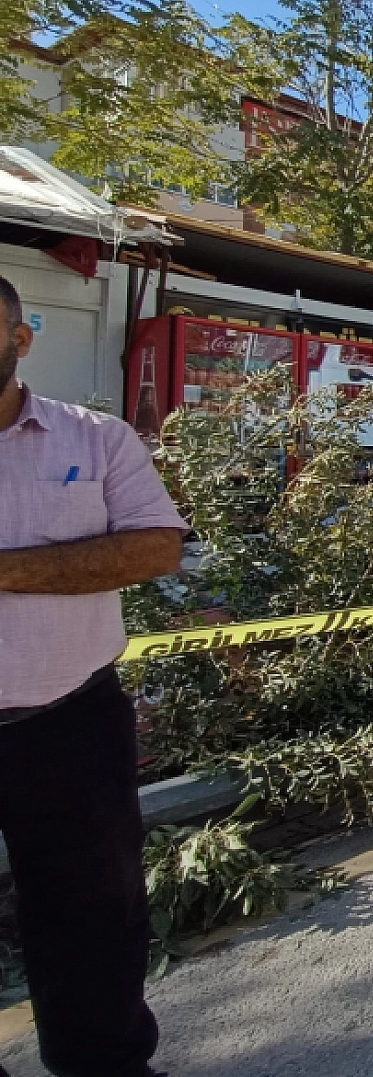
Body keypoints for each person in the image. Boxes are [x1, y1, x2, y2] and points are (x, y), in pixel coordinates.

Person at [0, 274, 187, 1077]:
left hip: (67, 721)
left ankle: (105, 1065)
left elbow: (155, 547)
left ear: (19, 337)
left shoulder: (94, 439)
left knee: (93, 913)